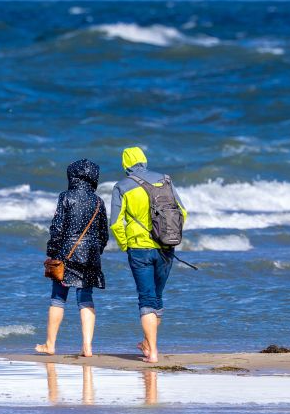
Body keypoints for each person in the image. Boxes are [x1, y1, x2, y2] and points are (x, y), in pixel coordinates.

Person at [109, 147, 187, 363]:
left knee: (146, 298)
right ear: (144, 160)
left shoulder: (122, 186)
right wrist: (169, 236)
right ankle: (147, 343)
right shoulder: (165, 180)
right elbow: (183, 212)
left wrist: (125, 245)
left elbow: (115, 224)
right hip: (166, 247)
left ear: (125, 164)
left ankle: (152, 351)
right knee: (157, 298)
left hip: (139, 249)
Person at [36, 159, 109, 357]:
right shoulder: (98, 201)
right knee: (85, 298)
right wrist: (96, 251)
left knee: (58, 298)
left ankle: (50, 345)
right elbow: (104, 234)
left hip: (66, 253)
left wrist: (52, 252)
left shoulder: (65, 197)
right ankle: (87, 346)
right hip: (91, 255)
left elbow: (57, 228)